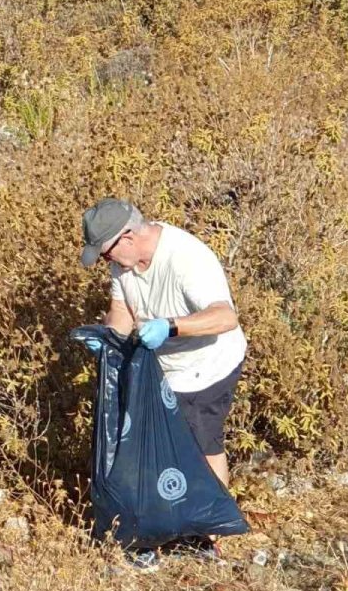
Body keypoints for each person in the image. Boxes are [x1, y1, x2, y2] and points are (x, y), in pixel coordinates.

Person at [80, 198, 246, 491]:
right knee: (162, 442)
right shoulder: (125, 263)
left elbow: (225, 317)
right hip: (166, 367)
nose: (107, 263)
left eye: (106, 255)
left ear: (127, 237)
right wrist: (110, 339)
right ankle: (175, 518)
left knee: (202, 443)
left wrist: (170, 326)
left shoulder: (186, 258)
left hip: (207, 364)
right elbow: (122, 310)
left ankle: (214, 525)